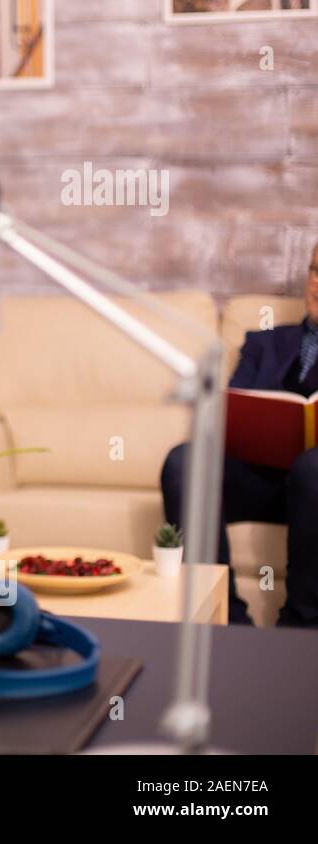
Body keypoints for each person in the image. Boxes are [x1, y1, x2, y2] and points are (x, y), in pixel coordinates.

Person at [161, 241, 318, 628]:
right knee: (185, 460)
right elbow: (233, 409)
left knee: (313, 469)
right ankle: (221, 616)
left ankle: (303, 625)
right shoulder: (263, 342)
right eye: (316, 270)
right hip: (258, 481)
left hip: (313, 489)